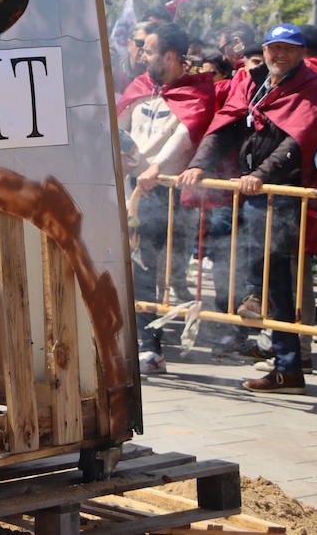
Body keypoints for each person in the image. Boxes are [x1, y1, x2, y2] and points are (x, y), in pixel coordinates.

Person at [178, 24, 317, 394]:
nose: (279, 54)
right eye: (273, 47)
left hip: (283, 192)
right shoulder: (253, 81)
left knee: (276, 281)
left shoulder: (314, 86)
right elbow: (226, 125)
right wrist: (200, 164)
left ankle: (288, 365)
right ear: (263, 50)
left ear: (301, 52)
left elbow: (298, 139)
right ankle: (284, 364)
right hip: (251, 191)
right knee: (258, 272)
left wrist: (261, 176)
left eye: (288, 48)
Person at [117, 22, 215, 374]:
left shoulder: (197, 92)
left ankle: (159, 343)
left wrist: (155, 167)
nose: (142, 54)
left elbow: (185, 137)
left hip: (168, 194)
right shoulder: (140, 86)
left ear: (170, 56)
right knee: (137, 269)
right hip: (133, 189)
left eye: (149, 49)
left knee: (163, 272)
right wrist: (121, 149)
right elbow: (120, 125)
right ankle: (148, 347)